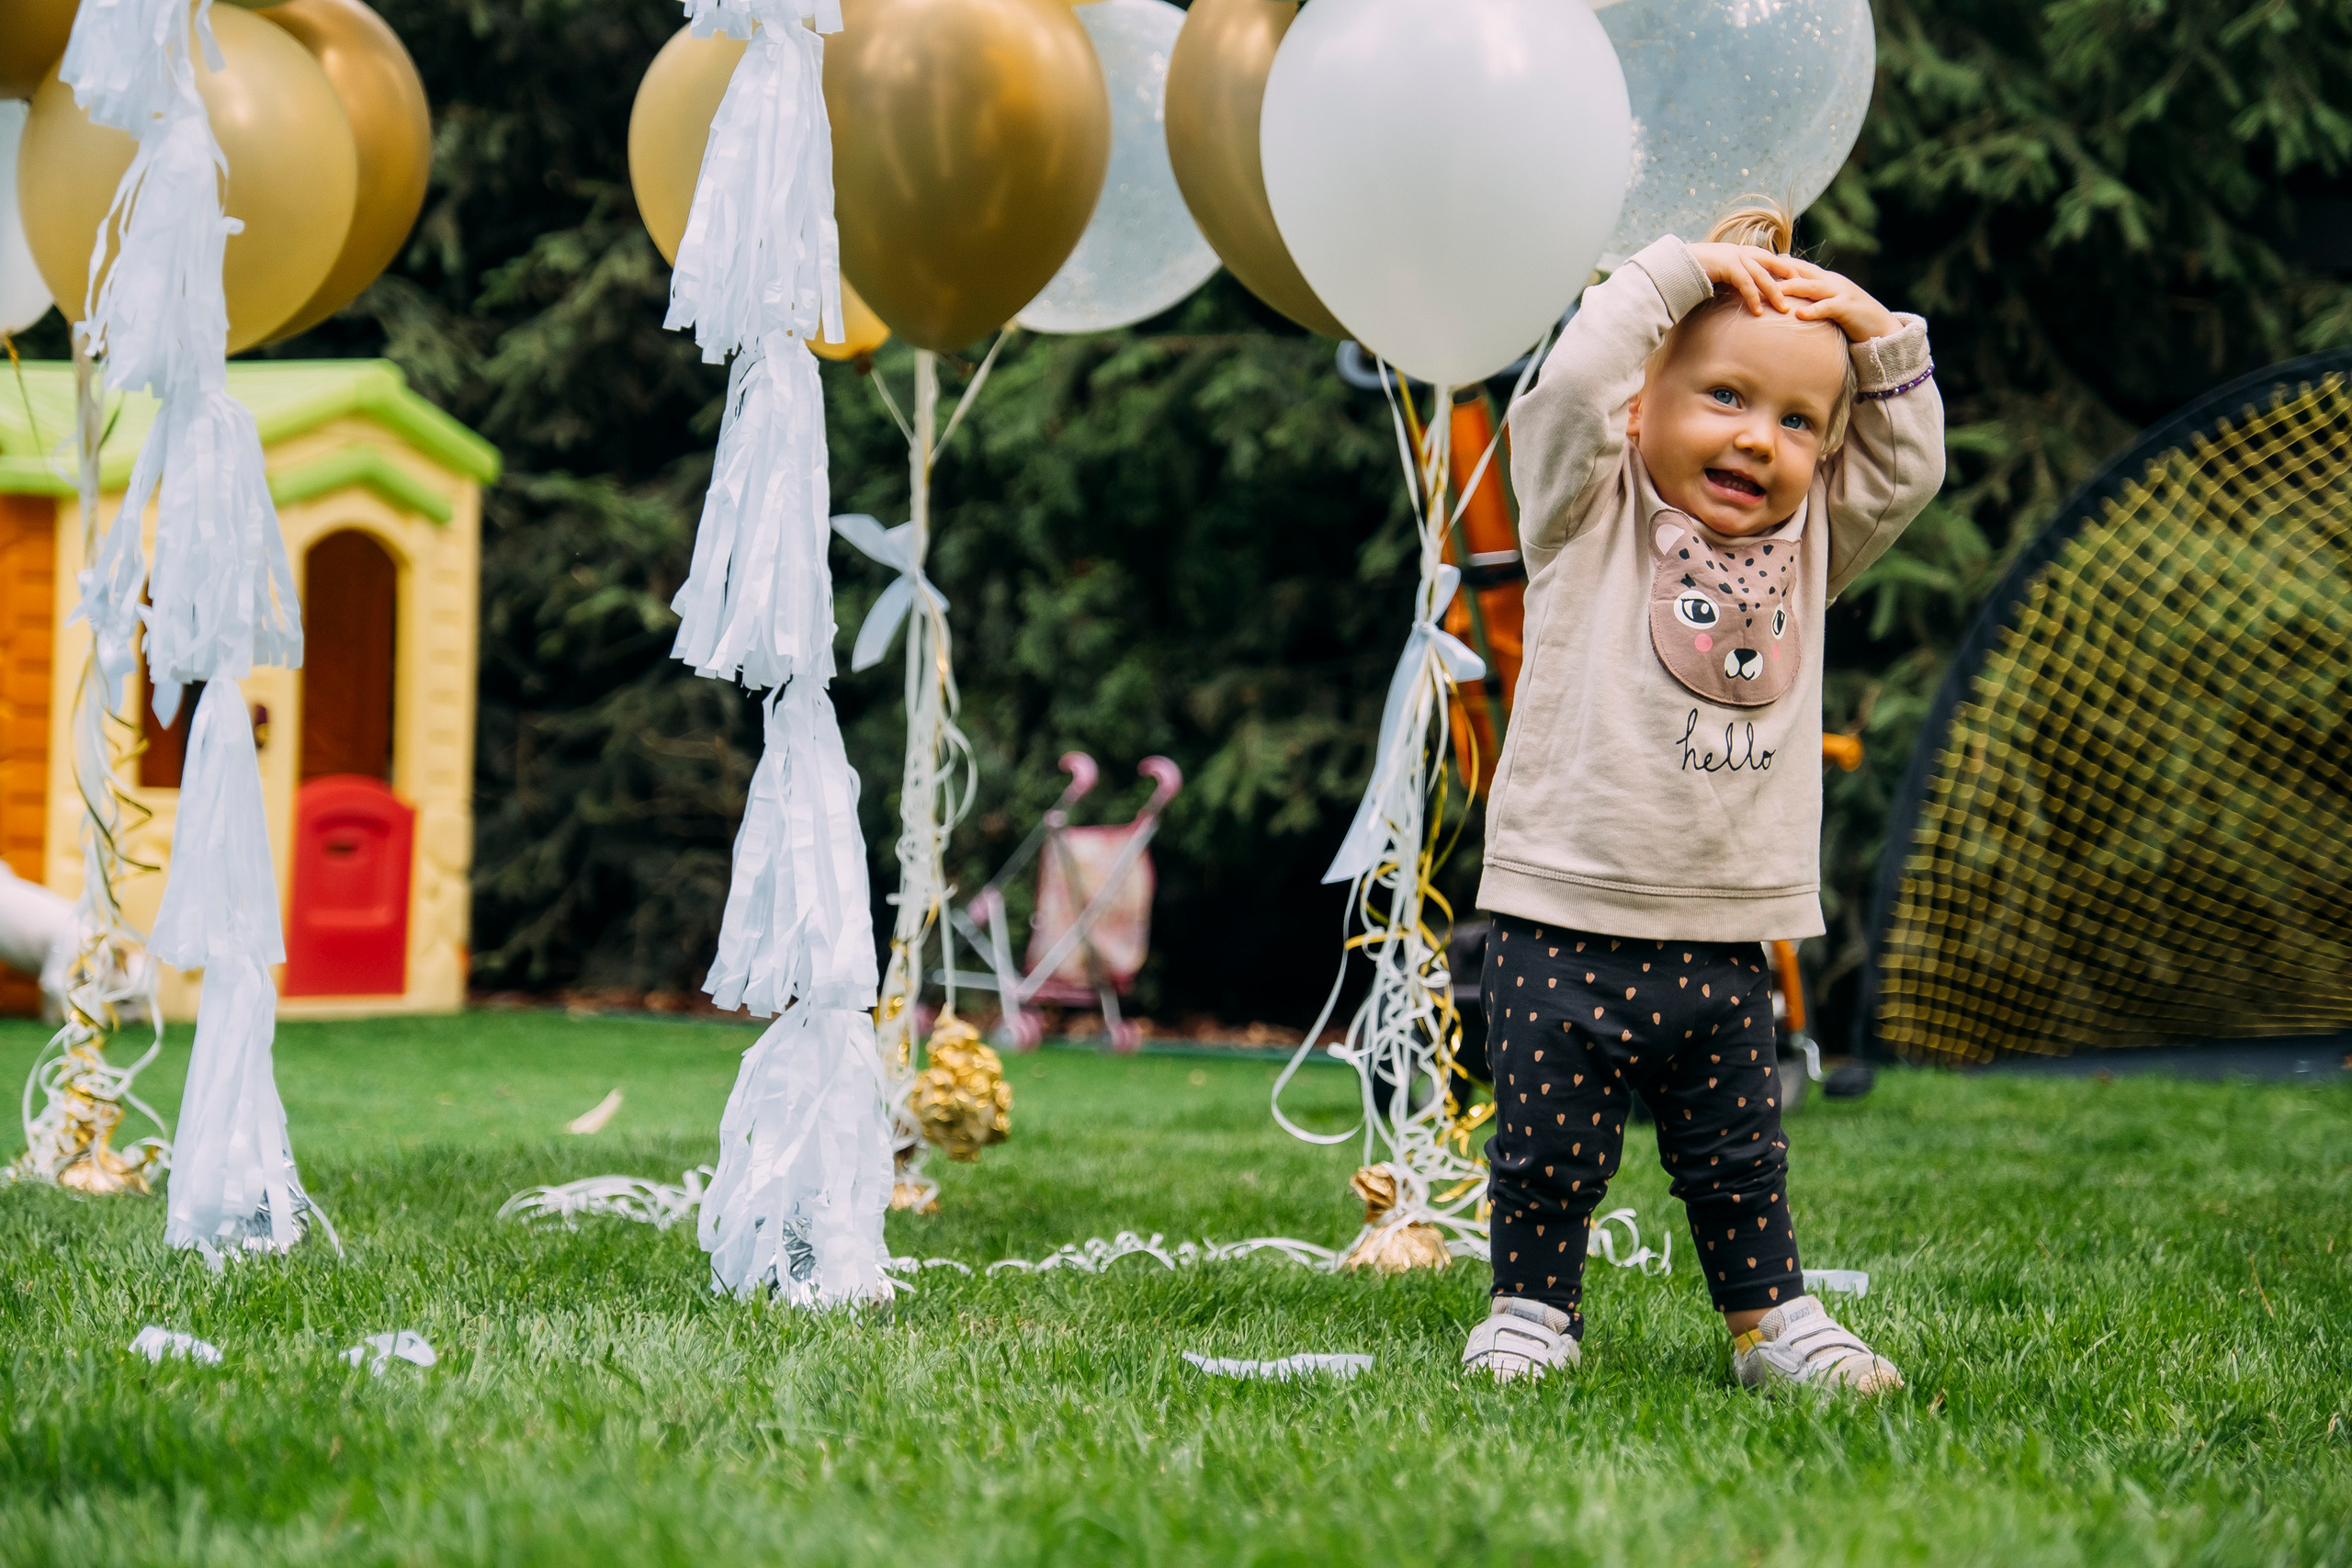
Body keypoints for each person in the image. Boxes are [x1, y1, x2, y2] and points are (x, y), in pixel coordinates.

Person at [1460, 203, 1942, 1392]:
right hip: (1562, 906)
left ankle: (1769, 1323)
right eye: (1723, 396)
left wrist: (1877, 339)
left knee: (1737, 1154)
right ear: (1644, 406)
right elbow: (1568, 388)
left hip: (1722, 923)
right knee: (1545, 1153)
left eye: (1795, 422)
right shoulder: (1587, 508)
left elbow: (1909, 465)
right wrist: (1669, 276)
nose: (1757, 441)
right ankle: (1532, 1310)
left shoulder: (1814, 538)